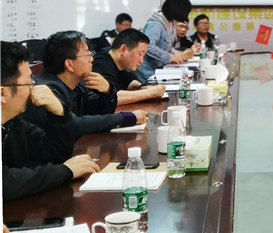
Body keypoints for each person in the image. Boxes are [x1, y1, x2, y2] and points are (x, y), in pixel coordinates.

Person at [2, 41, 100, 202]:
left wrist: (59, 113)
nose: (33, 89)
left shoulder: (13, 122)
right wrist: (65, 171)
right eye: (29, 83)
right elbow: (5, 183)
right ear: (2, 93)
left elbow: (53, 155)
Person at [25, 31, 147, 138]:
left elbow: (99, 113)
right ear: (69, 64)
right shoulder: (47, 90)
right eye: (87, 54)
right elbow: (75, 124)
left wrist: (108, 91)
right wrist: (126, 118)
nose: (92, 59)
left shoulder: (78, 85)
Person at [91, 29, 166, 106]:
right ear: (123, 49)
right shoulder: (100, 63)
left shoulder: (119, 64)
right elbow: (111, 98)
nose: (141, 61)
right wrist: (149, 93)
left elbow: (130, 83)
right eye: (140, 54)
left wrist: (146, 88)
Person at [135, 0, 196, 81]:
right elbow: (148, 46)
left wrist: (175, 53)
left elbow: (166, 47)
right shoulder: (156, 24)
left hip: (159, 69)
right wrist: (170, 57)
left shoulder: (171, 23)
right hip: (146, 71)